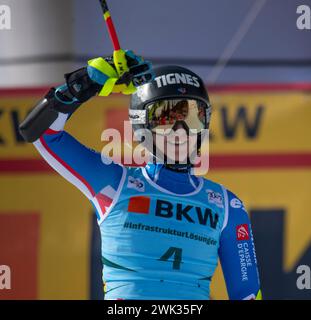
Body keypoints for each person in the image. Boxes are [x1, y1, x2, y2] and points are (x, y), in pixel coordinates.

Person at [19, 50, 262, 300]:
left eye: (191, 117)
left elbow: (248, 294)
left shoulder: (227, 206)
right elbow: (40, 133)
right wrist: (85, 84)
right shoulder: (115, 183)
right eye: (165, 118)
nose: (180, 132)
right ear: (141, 126)